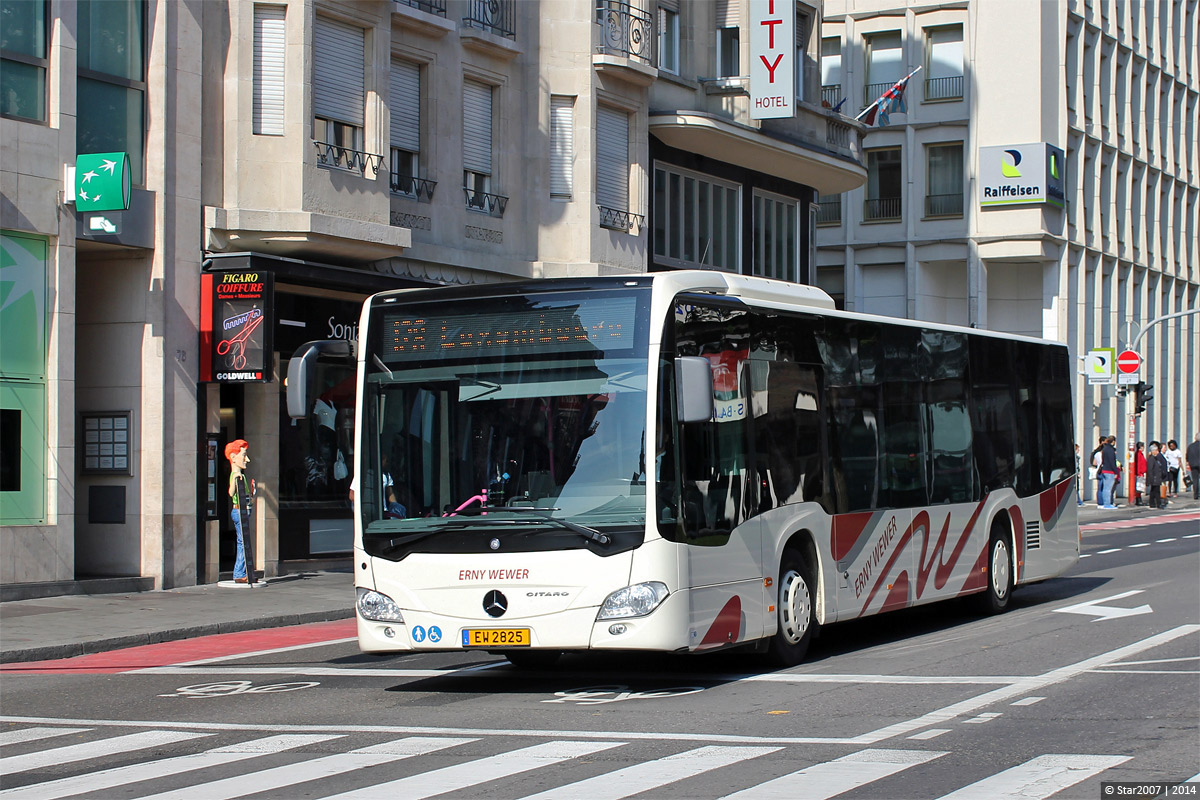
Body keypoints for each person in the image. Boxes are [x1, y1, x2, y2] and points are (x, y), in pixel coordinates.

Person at [225, 439, 254, 584]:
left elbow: (248, 498)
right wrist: (235, 480)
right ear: (233, 457)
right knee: (243, 543)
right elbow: (231, 493)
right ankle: (239, 572)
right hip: (239, 511)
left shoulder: (242, 476)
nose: (247, 460)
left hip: (244, 510)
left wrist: (252, 496)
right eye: (244, 455)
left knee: (243, 542)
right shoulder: (235, 476)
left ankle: (244, 572)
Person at [1098, 435, 1120, 509]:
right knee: (1108, 488)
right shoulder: (1111, 450)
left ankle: (1105, 503)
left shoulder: (1104, 449)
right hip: (1109, 471)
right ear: (1113, 441)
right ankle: (1107, 504)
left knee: (1105, 488)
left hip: (1104, 470)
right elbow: (1112, 462)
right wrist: (1116, 472)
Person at [1145, 442, 1167, 510]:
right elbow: (1150, 469)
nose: (1158, 452)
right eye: (1156, 451)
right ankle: (1157, 503)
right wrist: (1151, 478)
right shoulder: (1151, 459)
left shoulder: (1156, 459)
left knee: (1154, 491)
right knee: (1156, 491)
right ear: (1153, 451)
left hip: (1157, 477)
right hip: (1154, 478)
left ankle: (1153, 503)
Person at [1187, 433, 1200, 501]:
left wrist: (1188, 462)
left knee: (1195, 479)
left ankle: (1195, 494)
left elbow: (1187, 455)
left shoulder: (1190, 446)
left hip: (1193, 465)